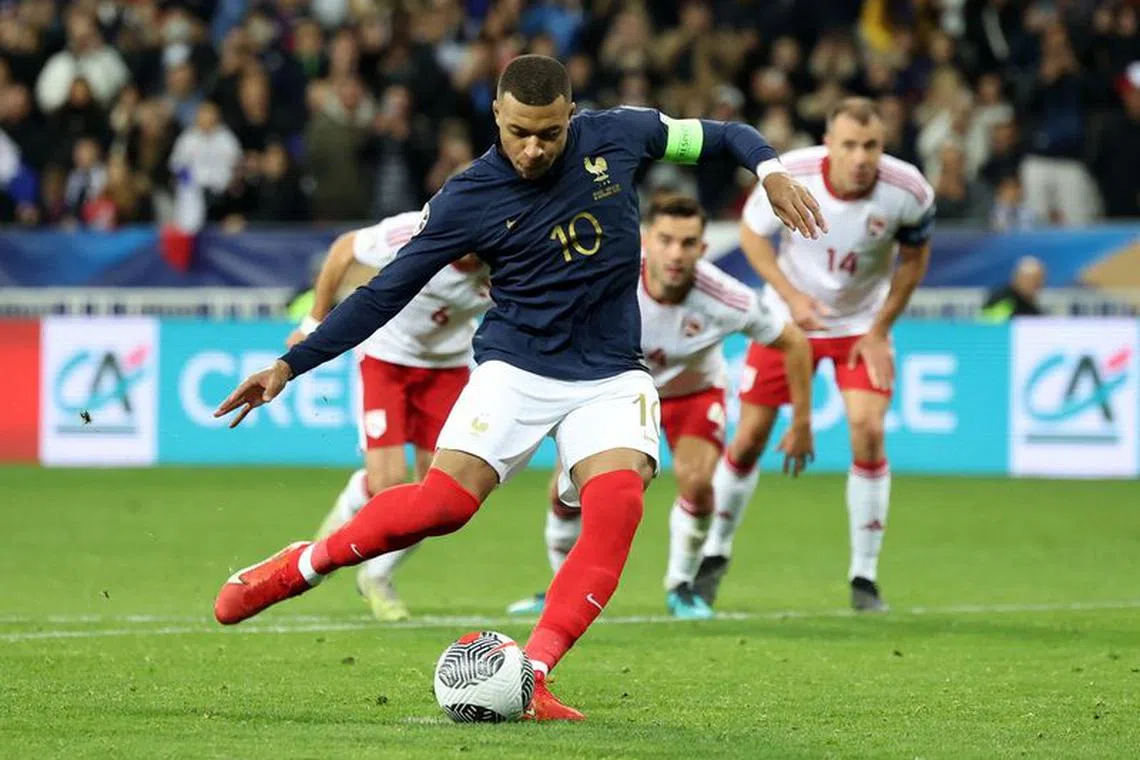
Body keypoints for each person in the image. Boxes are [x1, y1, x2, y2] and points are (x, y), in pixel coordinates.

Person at [211, 54, 825, 721]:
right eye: (518, 132)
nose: (532, 149)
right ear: (497, 116)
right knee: (442, 508)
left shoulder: (621, 133)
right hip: (516, 367)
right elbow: (386, 292)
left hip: (611, 373)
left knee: (618, 506)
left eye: (549, 134)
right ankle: (306, 564)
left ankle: (531, 676)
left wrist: (769, 171)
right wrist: (289, 364)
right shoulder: (466, 197)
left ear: (571, 117)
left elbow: (722, 136)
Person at [506, 194, 815, 620]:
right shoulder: (607, 275)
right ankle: (561, 588)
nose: (676, 253)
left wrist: (801, 420)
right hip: (614, 393)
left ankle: (681, 587)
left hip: (691, 393)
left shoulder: (727, 298)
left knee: (698, 482)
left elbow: (794, 342)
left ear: (703, 249)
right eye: (666, 240)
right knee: (568, 491)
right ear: (645, 240)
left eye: (688, 243)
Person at [695, 97, 934, 614]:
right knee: (752, 435)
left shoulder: (909, 190)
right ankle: (714, 552)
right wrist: (791, 295)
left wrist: (881, 328)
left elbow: (914, 260)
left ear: (883, 145)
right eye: (849, 144)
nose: (861, 156)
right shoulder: (791, 174)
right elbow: (752, 236)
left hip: (858, 326)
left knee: (868, 430)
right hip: (787, 318)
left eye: (871, 145)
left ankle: (864, 578)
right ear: (829, 143)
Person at [286, 211, 492, 621]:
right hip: (387, 357)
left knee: (442, 496)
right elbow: (345, 248)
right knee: (389, 484)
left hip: (449, 368)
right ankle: (345, 512)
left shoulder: (516, 249)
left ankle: (376, 576)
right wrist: (313, 320)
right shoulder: (416, 231)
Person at [980, 256, 1045, 322]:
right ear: (1017, 278)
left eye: (1037, 280)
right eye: (1029, 279)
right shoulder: (1003, 300)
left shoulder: (1033, 309)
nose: (1034, 284)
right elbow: (989, 324)